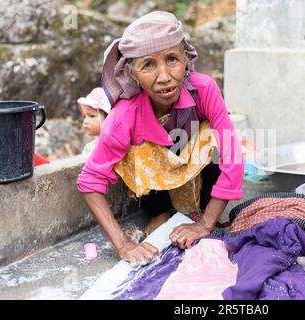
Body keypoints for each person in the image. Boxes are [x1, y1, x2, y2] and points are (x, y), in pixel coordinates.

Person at [77, 11, 244, 267]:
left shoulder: (205, 89)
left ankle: (200, 210)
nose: (164, 76)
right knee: (141, 150)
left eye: (172, 59)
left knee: (213, 136)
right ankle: (160, 211)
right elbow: (90, 181)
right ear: (132, 74)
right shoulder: (123, 116)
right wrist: (124, 244)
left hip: (194, 177)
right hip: (155, 185)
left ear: (186, 59)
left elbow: (232, 155)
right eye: (148, 65)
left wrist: (205, 224)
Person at [77, 87, 111, 156]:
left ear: (108, 117)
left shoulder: (113, 145)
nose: (85, 121)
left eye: (92, 116)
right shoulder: (88, 148)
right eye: (84, 116)